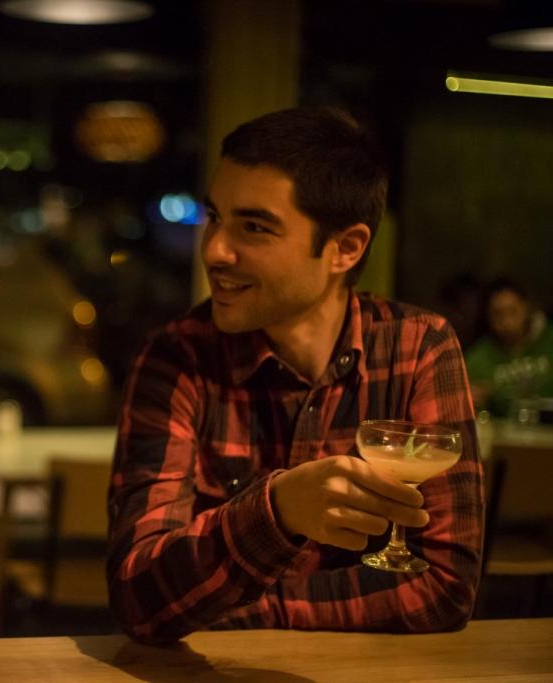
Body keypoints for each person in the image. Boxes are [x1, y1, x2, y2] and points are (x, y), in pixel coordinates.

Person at [107, 107, 483, 644]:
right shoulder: (176, 358)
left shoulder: (419, 347)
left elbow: (444, 587)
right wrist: (277, 512)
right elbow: (138, 596)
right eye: (214, 217)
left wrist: (238, 604)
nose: (213, 250)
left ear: (345, 249)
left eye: (254, 228)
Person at [465, 277, 553, 418]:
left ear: (527, 307)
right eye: (498, 314)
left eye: (513, 311)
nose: (507, 322)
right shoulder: (477, 359)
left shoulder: (549, 340)